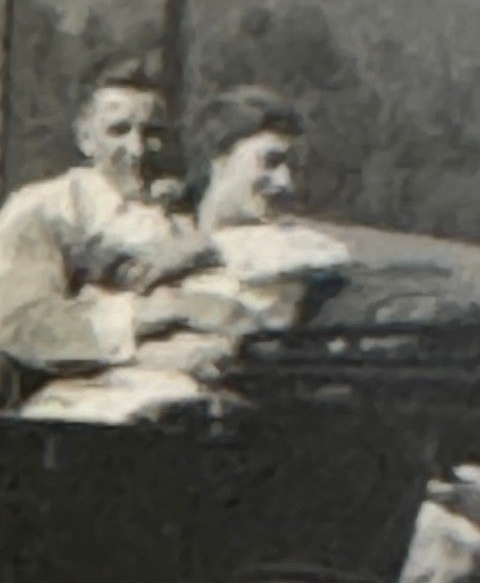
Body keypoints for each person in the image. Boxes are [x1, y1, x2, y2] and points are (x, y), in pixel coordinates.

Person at [21, 86, 350, 424]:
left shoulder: (292, 244)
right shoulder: (155, 226)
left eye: (293, 168)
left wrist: (206, 251)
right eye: (271, 162)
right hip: (79, 398)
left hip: (182, 411)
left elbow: (320, 259)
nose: (285, 183)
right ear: (219, 157)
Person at [0, 56, 214, 400]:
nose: (138, 149)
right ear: (85, 138)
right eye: (118, 130)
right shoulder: (46, 206)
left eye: (154, 133)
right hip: (4, 367)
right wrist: (147, 317)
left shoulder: (182, 216)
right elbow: (26, 323)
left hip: (121, 374)